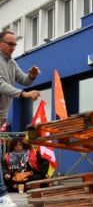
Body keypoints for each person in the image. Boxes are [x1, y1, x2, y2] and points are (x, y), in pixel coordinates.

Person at [0, 31, 41, 206]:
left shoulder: (11, 62)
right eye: (10, 44)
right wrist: (24, 94)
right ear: (0, 43)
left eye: (15, 44)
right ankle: (2, 195)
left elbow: (23, 79)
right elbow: (1, 85)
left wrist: (31, 75)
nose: (13, 47)